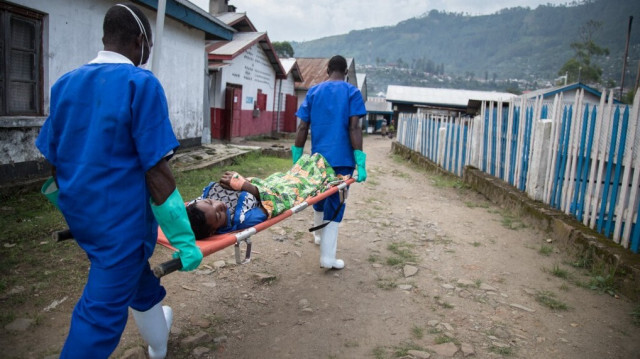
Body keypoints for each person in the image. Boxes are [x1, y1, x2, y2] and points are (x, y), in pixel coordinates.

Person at [35, 3, 202, 358]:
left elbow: (54, 163)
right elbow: (157, 172)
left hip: (85, 223)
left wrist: (77, 211)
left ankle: (158, 346)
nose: (146, 57)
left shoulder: (64, 84)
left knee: (140, 286)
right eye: (149, 49)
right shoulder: (141, 84)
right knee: (97, 320)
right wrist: (185, 241)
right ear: (140, 41)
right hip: (121, 232)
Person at [292, 55, 368, 270]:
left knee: (319, 196)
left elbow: (302, 127)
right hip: (342, 160)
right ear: (345, 73)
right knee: (335, 204)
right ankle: (327, 258)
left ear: (327, 70)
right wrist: (360, 161)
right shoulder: (352, 92)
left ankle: (318, 235)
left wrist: (297, 157)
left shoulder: (314, 92)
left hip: (318, 160)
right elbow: (354, 128)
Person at [186, 153, 339, 239]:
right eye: (219, 215)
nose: (219, 205)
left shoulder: (199, 206)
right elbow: (270, 207)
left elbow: (188, 207)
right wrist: (245, 185)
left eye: (209, 201)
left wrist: (233, 180)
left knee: (304, 164)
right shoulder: (243, 219)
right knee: (312, 170)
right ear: (213, 231)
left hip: (266, 183)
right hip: (277, 192)